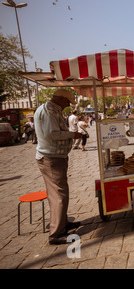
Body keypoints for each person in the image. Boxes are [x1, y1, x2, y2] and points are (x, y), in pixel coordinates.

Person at [34, 89, 83, 245]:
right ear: (60, 99)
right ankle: (56, 234)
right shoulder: (49, 111)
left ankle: (63, 223)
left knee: (60, 192)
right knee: (58, 195)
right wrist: (72, 135)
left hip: (55, 157)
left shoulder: (51, 110)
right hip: (51, 158)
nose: (68, 105)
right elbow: (51, 133)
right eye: (67, 102)